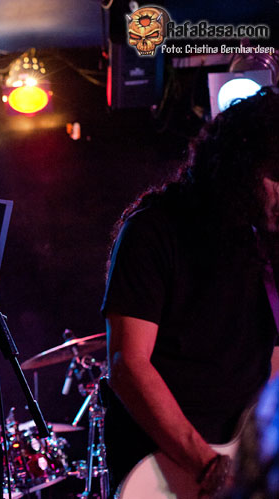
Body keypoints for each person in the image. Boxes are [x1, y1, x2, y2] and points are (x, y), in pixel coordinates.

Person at [102, 87, 279, 497]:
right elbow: (128, 364)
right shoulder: (153, 230)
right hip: (163, 466)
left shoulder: (264, 246)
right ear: (240, 167)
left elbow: (272, 361)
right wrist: (208, 463)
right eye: (275, 175)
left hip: (239, 457)